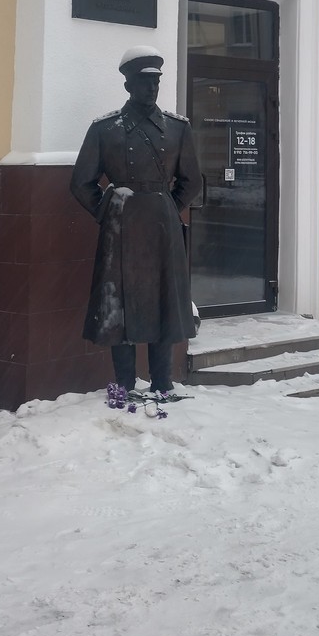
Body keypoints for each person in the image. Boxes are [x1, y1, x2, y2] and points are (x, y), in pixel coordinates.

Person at [70, 46, 203, 394]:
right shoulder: (105, 129)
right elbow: (82, 182)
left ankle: (163, 382)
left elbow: (192, 180)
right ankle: (125, 383)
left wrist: (167, 206)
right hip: (122, 227)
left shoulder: (177, 129)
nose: (152, 89)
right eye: (144, 82)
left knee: (164, 300)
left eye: (156, 82)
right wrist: (109, 210)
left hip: (162, 228)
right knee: (120, 305)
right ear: (128, 85)